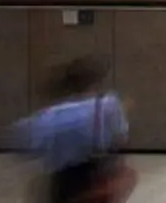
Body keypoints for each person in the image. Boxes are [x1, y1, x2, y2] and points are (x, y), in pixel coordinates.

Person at [17, 57, 137, 203]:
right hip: (93, 179)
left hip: (61, 183)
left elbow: (31, 148)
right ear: (95, 83)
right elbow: (120, 138)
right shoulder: (106, 106)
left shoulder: (48, 115)